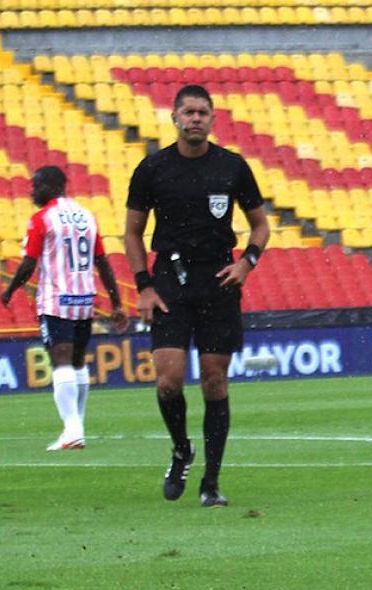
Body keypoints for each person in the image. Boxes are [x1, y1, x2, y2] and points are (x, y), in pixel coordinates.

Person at [123, 84, 270, 507]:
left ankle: (211, 482)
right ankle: (181, 449)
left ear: (212, 118)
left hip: (219, 279)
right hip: (168, 278)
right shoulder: (152, 169)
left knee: (214, 380)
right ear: (174, 117)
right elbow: (132, 232)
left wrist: (247, 262)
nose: (195, 119)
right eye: (188, 112)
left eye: (202, 112)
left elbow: (260, 225)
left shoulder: (232, 167)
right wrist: (143, 284)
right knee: (168, 380)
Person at [1, 166, 126, 451]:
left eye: (35, 186)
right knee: (78, 361)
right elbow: (103, 261)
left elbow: (29, 263)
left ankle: (72, 430)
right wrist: (117, 301)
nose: (32, 191)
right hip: (84, 298)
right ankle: (76, 427)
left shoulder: (42, 218)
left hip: (56, 299)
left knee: (61, 361)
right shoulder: (86, 215)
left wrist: (10, 289)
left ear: (50, 185)